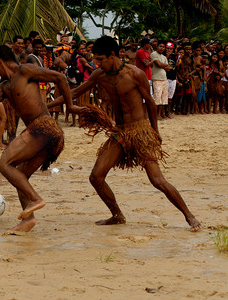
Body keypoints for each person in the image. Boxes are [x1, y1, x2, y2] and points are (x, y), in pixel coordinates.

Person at [49, 36, 201, 232]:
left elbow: (151, 104)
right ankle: (117, 215)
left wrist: (155, 132)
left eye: (101, 59)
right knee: (96, 176)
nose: (98, 63)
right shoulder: (99, 74)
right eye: (96, 60)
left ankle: (190, 216)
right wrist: (47, 105)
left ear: (113, 55)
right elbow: (75, 92)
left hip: (140, 130)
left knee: (157, 180)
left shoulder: (134, 74)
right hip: (119, 132)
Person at [0, 45, 73, 232]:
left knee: (3, 164)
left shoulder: (24, 70)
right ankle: (28, 220)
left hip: (43, 127)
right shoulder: (5, 85)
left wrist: (70, 107)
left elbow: (60, 77)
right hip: (43, 133)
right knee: (19, 177)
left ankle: (35, 199)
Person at [151, 41, 171, 119]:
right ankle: (155, 115)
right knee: (157, 97)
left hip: (164, 78)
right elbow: (158, 64)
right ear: (157, 46)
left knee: (163, 98)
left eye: (163, 47)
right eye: (160, 46)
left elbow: (168, 69)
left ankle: (159, 114)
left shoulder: (164, 57)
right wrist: (165, 65)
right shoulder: (153, 54)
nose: (162, 48)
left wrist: (164, 65)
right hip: (156, 78)